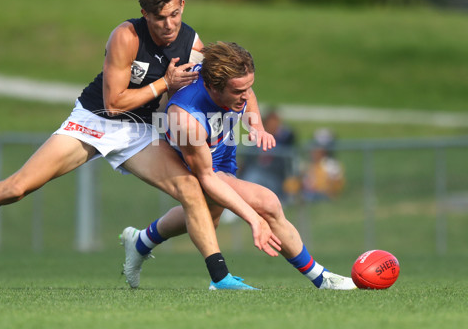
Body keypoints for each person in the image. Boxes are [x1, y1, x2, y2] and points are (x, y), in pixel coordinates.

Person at [0, 0, 275, 290]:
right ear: (144, 12)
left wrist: (253, 119)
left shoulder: (192, 42)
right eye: (159, 17)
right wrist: (163, 86)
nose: (169, 24)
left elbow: (231, 79)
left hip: (139, 132)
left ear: (182, 6)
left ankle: (220, 279)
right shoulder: (126, 36)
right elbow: (113, 103)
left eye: (174, 14)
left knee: (191, 188)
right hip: (93, 122)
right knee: (16, 189)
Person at [120, 41, 356, 290]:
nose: (244, 95)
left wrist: (256, 127)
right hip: (201, 166)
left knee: (209, 217)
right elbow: (207, 176)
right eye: (237, 91)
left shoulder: (233, 83)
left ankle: (141, 241)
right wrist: (254, 219)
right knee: (268, 203)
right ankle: (322, 279)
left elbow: (247, 93)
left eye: (248, 87)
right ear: (212, 87)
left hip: (222, 156)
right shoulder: (186, 117)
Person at [239, 108, 296, 203]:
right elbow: (247, 159)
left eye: (276, 123)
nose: (273, 126)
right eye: (270, 123)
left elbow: (289, 162)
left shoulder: (284, 140)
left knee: (253, 176)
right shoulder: (257, 138)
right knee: (250, 176)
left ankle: (240, 203)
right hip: (256, 176)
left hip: (275, 178)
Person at [300, 128, 345, 202]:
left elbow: (335, 185)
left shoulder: (332, 165)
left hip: (322, 195)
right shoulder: (307, 164)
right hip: (309, 193)